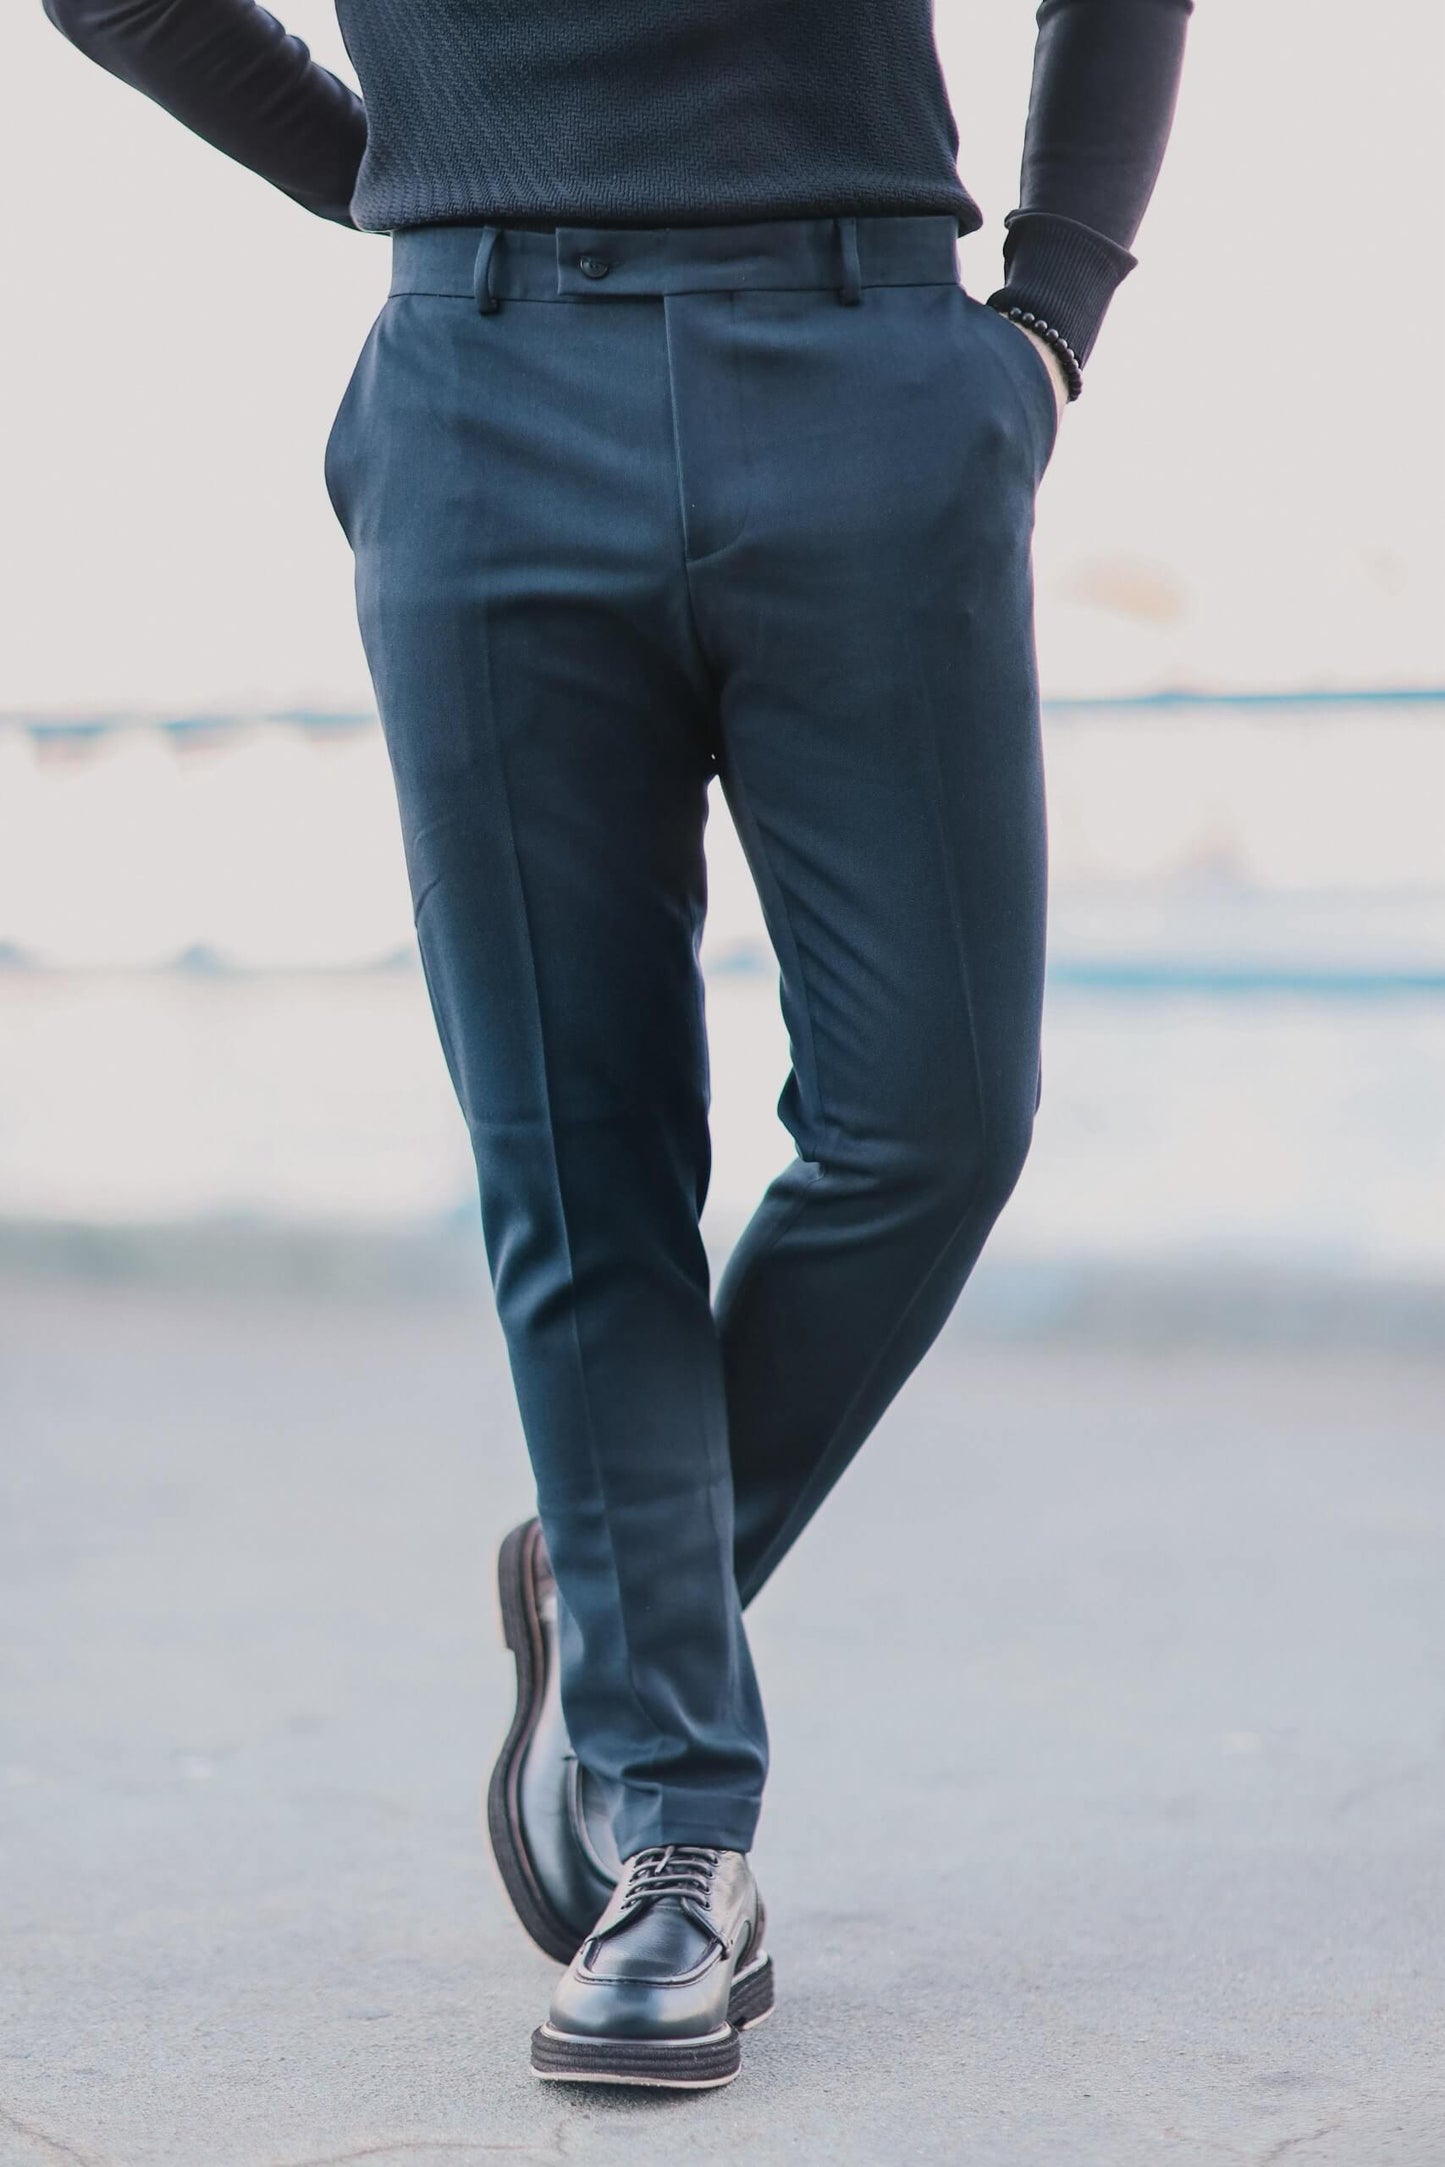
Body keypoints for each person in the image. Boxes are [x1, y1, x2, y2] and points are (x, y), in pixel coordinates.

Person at [43, 0, 1192, 2091]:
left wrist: (1046, 317)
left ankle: (613, 1577)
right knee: (579, 1154)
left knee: (934, 1112)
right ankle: (681, 1838)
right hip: (484, 391)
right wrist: (393, 171)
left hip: (870, 359)